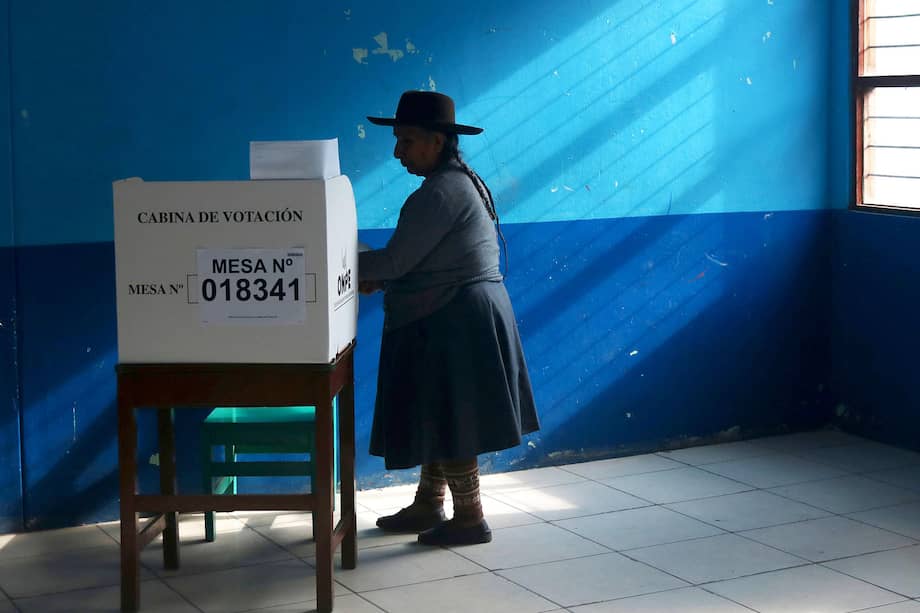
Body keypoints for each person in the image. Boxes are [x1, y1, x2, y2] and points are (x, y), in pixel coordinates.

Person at [358, 91, 540, 546]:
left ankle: (469, 517)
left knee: (451, 414)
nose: (397, 151)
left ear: (437, 142)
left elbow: (398, 262)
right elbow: (417, 260)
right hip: (460, 308)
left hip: (455, 316)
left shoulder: (441, 192)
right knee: (438, 410)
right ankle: (429, 503)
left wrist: (341, 266)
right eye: (397, 140)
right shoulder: (461, 181)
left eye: (407, 140)